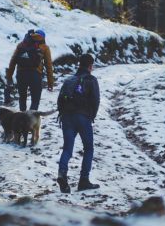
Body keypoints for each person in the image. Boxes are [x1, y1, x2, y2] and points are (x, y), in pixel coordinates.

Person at [56, 54, 100, 193]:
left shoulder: (69, 80)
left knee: (67, 148)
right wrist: (91, 116)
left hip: (67, 117)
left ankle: (62, 173)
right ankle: (83, 181)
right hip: (83, 117)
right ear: (90, 66)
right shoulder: (91, 80)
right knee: (88, 148)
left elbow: (59, 101)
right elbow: (96, 101)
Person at [6, 29, 54, 111]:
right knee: (35, 100)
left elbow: (13, 60)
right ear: (43, 38)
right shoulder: (44, 47)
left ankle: (22, 119)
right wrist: (50, 83)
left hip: (21, 74)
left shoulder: (22, 45)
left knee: (22, 98)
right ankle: (31, 118)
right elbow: (48, 65)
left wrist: (9, 76)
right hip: (35, 75)